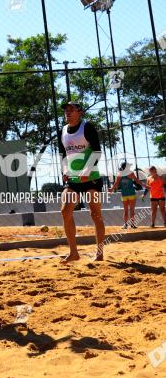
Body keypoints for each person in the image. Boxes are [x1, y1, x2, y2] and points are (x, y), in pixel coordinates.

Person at [58, 102, 106, 262]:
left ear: (80, 112)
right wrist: (64, 171)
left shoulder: (87, 127)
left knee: (95, 215)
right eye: (66, 110)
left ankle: (99, 253)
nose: (67, 112)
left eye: (71, 109)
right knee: (65, 211)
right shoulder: (63, 131)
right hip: (73, 179)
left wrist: (86, 171)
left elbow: (97, 152)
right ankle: (74, 253)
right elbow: (63, 154)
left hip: (90, 177)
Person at [111, 160, 142, 229]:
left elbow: (116, 184)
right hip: (130, 194)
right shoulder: (129, 174)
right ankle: (131, 224)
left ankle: (127, 224)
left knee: (127, 210)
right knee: (130, 210)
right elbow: (137, 181)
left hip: (125, 195)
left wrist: (111, 189)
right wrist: (112, 189)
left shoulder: (120, 174)